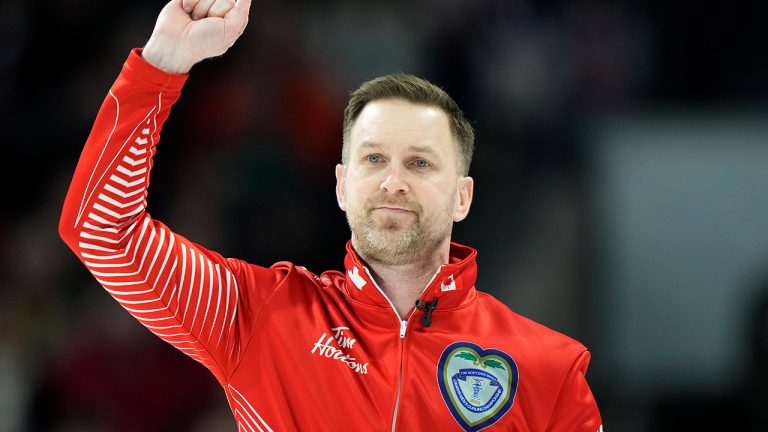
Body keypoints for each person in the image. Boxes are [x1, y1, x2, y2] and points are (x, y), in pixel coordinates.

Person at [59, 0, 603, 430]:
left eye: (419, 162)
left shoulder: (548, 370)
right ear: (342, 186)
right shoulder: (261, 315)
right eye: (374, 159)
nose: (393, 181)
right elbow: (101, 231)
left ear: (462, 196)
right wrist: (162, 63)